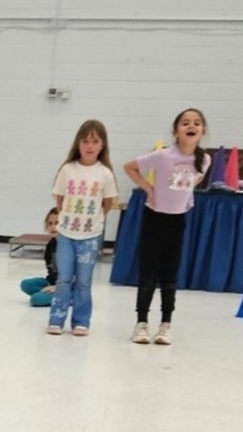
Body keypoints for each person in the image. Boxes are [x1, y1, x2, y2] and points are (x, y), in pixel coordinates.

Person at [123, 108, 211, 345]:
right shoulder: (163, 156)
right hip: (155, 219)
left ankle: (166, 325)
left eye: (196, 123)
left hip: (177, 221)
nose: (191, 126)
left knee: (170, 276)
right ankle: (141, 323)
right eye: (185, 123)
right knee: (149, 275)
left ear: (203, 130)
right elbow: (129, 166)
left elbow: (196, 180)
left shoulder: (204, 160)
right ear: (175, 131)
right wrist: (149, 189)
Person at [47, 120, 118, 336]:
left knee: (84, 281)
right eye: (85, 141)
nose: (89, 146)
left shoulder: (105, 173)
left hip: (89, 237)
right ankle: (56, 320)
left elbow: (108, 202)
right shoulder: (68, 170)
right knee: (64, 278)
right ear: (78, 144)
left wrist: (94, 219)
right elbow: (59, 198)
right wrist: (67, 218)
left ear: (102, 145)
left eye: (94, 141)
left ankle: (81, 321)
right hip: (66, 235)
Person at [19, 208, 59, 307]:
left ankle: (68, 297)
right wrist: (50, 285)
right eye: (50, 223)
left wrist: (59, 287)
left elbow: (76, 275)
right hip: (51, 282)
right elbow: (50, 270)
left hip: (67, 286)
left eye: (57, 223)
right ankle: (50, 295)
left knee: (36, 299)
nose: (53, 227)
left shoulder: (69, 246)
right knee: (26, 284)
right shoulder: (50, 245)